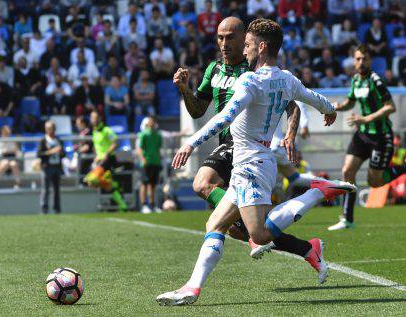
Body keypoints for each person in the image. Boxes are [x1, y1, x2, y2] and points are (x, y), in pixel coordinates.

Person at [157, 18, 355, 306]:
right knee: (215, 223)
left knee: (260, 235)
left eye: (247, 45)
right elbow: (314, 98)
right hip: (249, 162)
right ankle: (192, 288)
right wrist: (329, 110)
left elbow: (224, 117)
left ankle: (317, 191)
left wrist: (190, 143)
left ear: (261, 47)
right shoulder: (287, 78)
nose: (245, 50)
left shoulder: (251, 79)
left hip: (251, 164)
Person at [173, 17, 325, 265]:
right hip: (226, 145)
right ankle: (306, 248)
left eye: (231, 37)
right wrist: (185, 90)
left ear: (245, 38)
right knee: (240, 229)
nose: (224, 43)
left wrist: (290, 134)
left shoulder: (256, 68)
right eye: (220, 38)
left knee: (202, 184)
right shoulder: (214, 70)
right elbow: (198, 111)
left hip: (247, 145)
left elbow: (292, 106)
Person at [328, 45, 404, 231]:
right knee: (347, 171)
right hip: (362, 135)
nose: (361, 62)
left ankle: (403, 167)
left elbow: (390, 107)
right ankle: (347, 218)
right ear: (354, 60)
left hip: (380, 137)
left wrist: (365, 119)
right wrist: (337, 107)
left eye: (364, 59)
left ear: (370, 61)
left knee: (374, 182)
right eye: (358, 59)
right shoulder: (355, 80)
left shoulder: (375, 80)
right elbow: (351, 102)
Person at [83, 111, 127, 211]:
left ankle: (115, 187)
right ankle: (122, 204)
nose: (93, 120)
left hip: (108, 159)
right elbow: (97, 147)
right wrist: (96, 156)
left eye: (94, 118)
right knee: (106, 186)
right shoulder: (94, 132)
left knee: (90, 180)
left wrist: (106, 153)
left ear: (99, 119)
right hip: (100, 160)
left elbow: (116, 143)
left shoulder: (107, 130)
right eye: (92, 118)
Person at [37, 121, 65, 214]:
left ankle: (57, 209)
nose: (49, 130)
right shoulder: (43, 140)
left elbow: (63, 154)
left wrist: (61, 152)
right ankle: (44, 209)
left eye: (51, 128)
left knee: (56, 190)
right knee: (45, 190)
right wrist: (51, 152)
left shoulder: (58, 140)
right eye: (47, 128)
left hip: (57, 166)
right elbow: (39, 154)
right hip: (47, 168)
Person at [138, 116, 163, 213]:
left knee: (153, 184)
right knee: (144, 184)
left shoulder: (158, 135)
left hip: (155, 162)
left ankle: (152, 205)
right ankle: (144, 205)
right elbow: (140, 148)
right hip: (146, 162)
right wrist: (143, 158)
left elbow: (158, 148)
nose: (151, 124)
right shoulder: (143, 134)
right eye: (150, 122)